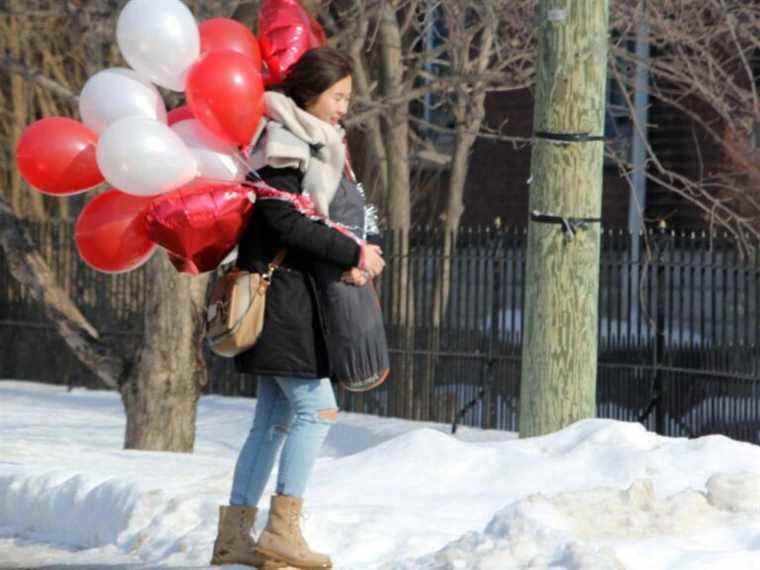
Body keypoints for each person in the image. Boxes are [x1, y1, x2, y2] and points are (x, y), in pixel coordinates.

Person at [210, 47, 386, 569]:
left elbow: (325, 216)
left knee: (271, 422)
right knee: (318, 410)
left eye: (347, 98)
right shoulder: (284, 141)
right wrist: (350, 250)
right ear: (309, 93)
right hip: (283, 301)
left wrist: (359, 250)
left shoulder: (318, 141)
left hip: (292, 298)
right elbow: (283, 221)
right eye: (337, 97)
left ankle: (235, 538)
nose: (343, 108)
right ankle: (281, 533)